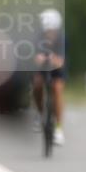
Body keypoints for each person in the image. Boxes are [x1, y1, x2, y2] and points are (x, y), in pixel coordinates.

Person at [32, 8, 66, 145]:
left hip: (57, 69)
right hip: (41, 69)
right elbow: (33, 57)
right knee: (37, 84)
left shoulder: (62, 39)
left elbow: (61, 62)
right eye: (46, 31)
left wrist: (53, 59)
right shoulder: (37, 38)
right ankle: (40, 114)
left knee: (57, 89)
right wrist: (38, 59)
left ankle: (58, 129)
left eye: (51, 31)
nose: (48, 34)